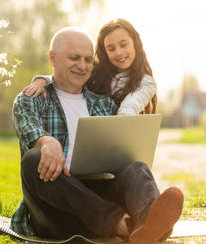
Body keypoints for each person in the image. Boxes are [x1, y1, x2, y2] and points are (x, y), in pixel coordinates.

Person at [11, 26, 183, 243]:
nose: (82, 66)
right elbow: (27, 124)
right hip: (58, 211)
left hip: (99, 198)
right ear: (53, 59)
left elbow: (121, 160)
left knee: (136, 167)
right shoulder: (33, 97)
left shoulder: (104, 104)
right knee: (33, 159)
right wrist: (45, 141)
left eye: (88, 60)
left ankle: (146, 225)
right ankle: (124, 225)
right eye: (74, 58)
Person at [23, 19, 157, 115]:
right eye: (111, 48)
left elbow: (133, 102)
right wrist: (43, 81)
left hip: (125, 133)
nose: (119, 53)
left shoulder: (146, 82)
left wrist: (125, 115)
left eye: (123, 45)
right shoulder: (96, 73)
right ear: (104, 52)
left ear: (136, 44)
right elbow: (66, 76)